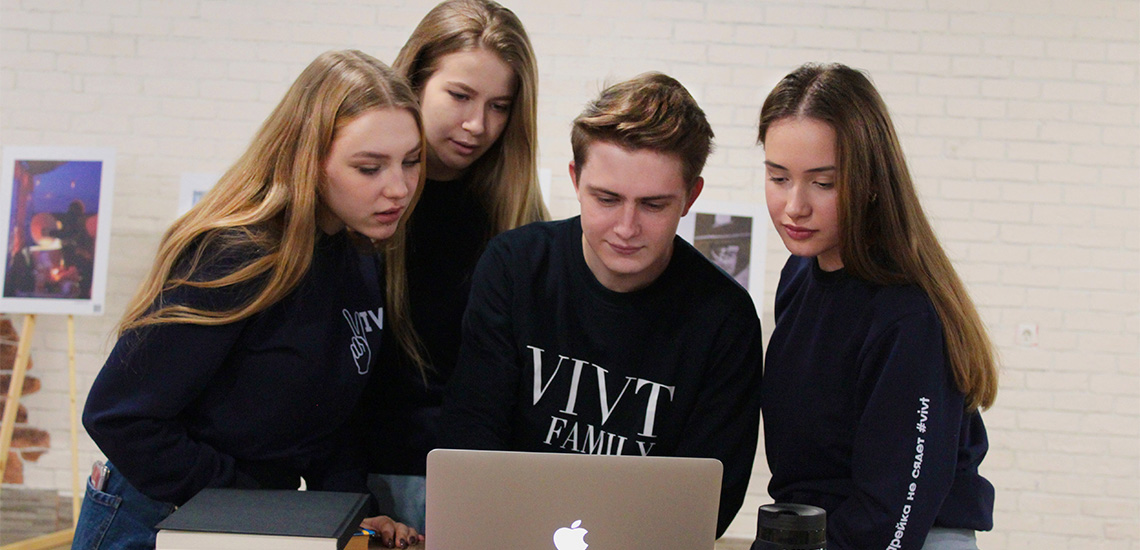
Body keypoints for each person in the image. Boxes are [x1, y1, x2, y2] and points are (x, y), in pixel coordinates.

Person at [74, 50, 424, 550]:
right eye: (369, 168)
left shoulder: (357, 253)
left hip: (246, 519)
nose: (399, 188)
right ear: (308, 161)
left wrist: (358, 513)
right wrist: (255, 502)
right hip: (154, 519)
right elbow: (119, 416)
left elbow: (329, 421)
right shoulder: (236, 253)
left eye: (411, 161)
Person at [440, 72, 764, 538]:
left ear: (690, 197)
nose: (626, 228)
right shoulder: (515, 267)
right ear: (576, 180)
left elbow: (709, 499)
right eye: (607, 199)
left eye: (653, 205)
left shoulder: (724, 318)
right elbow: (471, 437)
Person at [757, 63, 997, 550]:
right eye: (779, 177)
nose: (794, 206)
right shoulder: (798, 276)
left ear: (869, 180)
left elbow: (893, 516)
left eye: (823, 183)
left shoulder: (908, 317)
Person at [362, 0, 547, 532]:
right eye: (460, 96)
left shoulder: (520, 220)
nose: (476, 125)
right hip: (372, 481)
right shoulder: (363, 210)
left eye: (499, 106)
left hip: (489, 486)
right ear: (415, 82)